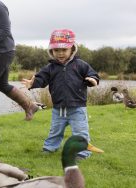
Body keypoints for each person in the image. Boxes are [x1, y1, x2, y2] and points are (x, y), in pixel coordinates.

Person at [22, 29, 100, 159]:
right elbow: (41, 79)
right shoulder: (50, 68)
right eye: (56, 50)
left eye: (64, 50)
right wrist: (32, 84)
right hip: (58, 108)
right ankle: (49, 148)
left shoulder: (80, 65)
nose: (60, 53)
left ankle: (82, 153)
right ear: (51, 51)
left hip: (77, 108)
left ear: (72, 49)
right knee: (55, 131)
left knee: (80, 132)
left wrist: (93, 80)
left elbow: (93, 75)